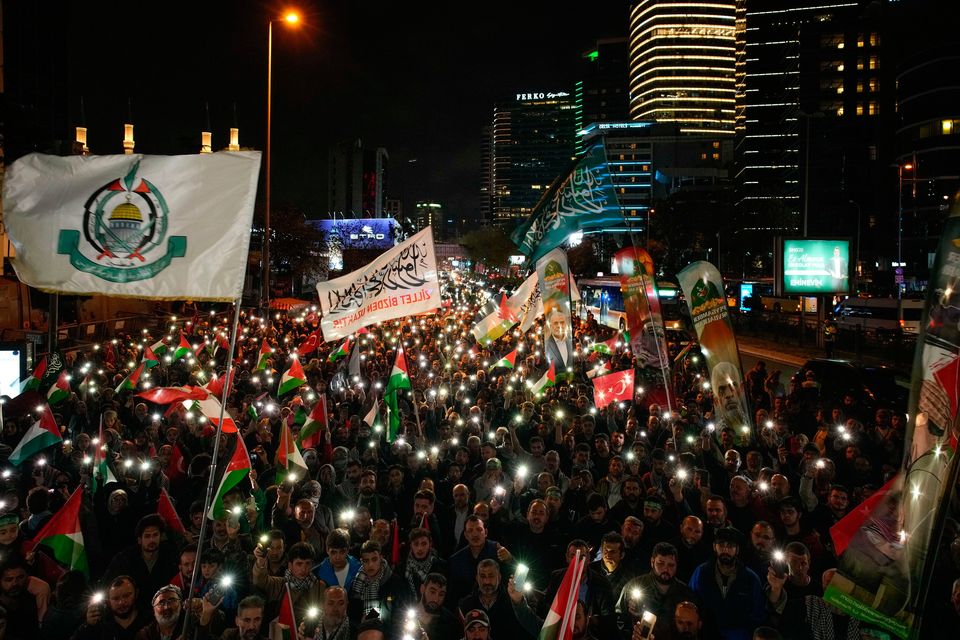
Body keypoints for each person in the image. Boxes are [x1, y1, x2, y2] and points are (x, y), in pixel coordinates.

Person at [688, 527, 767, 640]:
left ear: (737, 549)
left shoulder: (750, 578)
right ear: (715, 547)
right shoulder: (701, 573)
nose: (725, 550)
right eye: (721, 545)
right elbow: (691, 604)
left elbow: (758, 614)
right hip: (707, 634)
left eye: (730, 546)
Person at [616, 542, 696, 639]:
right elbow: (618, 620)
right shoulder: (633, 587)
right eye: (661, 563)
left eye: (671, 565)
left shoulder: (685, 594)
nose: (666, 569)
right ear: (652, 562)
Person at [104, 515, 180, 611]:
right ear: (140, 539)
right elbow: (109, 583)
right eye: (147, 536)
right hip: (133, 612)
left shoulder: (171, 556)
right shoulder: (124, 558)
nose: (152, 540)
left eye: (155, 535)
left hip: (164, 609)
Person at [70, 575, 150, 640]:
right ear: (108, 600)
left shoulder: (150, 621)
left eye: (126, 596)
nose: (121, 602)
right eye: (116, 598)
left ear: (136, 593)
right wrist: (88, 626)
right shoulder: (100, 623)